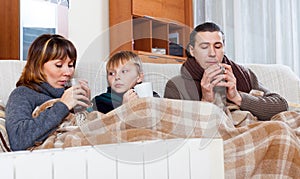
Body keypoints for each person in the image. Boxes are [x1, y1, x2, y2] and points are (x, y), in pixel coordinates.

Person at [164, 22, 288, 120]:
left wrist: (237, 97)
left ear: (223, 48)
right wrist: (206, 101)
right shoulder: (176, 86)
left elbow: (281, 105)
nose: (212, 53)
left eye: (217, 46)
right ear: (192, 50)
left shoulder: (243, 74)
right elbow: (176, 129)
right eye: (204, 47)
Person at [5, 34, 91, 151]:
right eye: (59, 65)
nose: (68, 72)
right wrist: (63, 105)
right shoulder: (22, 94)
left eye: (70, 65)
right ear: (38, 66)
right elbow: (18, 140)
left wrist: (85, 108)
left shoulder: (69, 94)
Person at [92, 51, 159, 114]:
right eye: (111, 73)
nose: (117, 77)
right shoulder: (100, 101)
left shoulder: (153, 96)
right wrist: (124, 109)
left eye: (124, 71)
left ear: (139, 77)